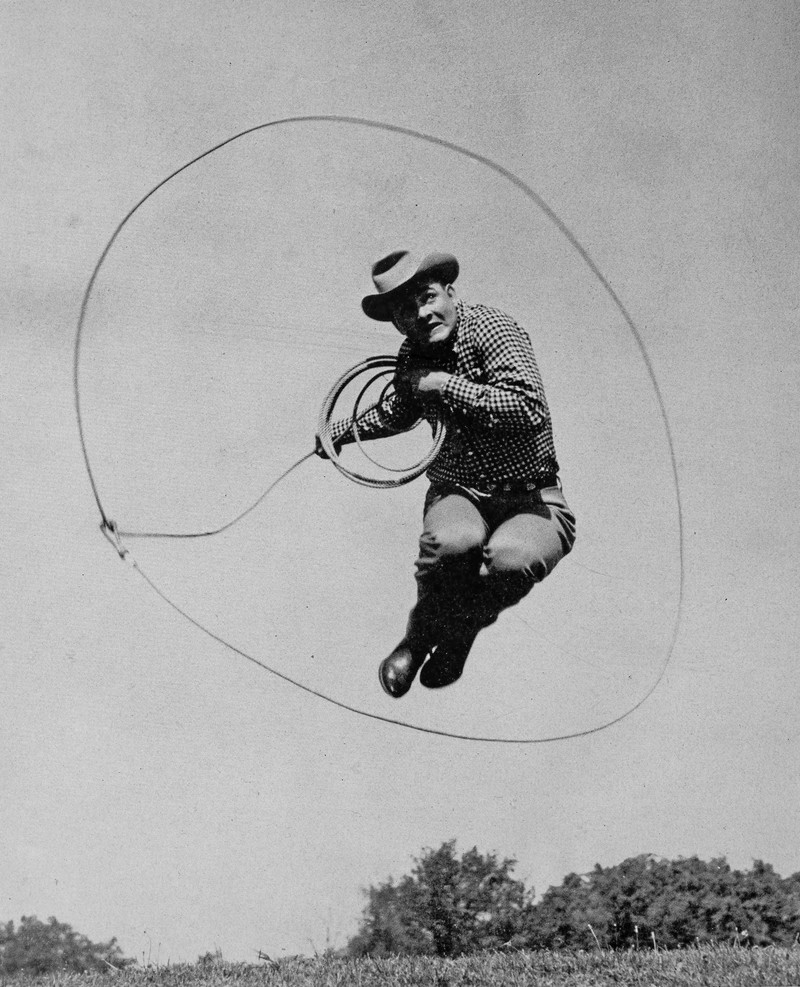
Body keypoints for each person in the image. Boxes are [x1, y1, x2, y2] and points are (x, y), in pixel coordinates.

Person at [318, 249, 576, 698]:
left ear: (450, 293)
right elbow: (399, 412)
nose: (422, 314)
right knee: (452, 545)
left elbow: (527, 406)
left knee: (511, 561)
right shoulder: (411, 354)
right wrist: (339, 432)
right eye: (405, 311)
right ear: (397, 324)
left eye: (428, 297)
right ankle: (417, 640)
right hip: (459, 491)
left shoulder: (493, 329)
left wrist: (444, 384)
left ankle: (459, 634)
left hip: (532, 499)